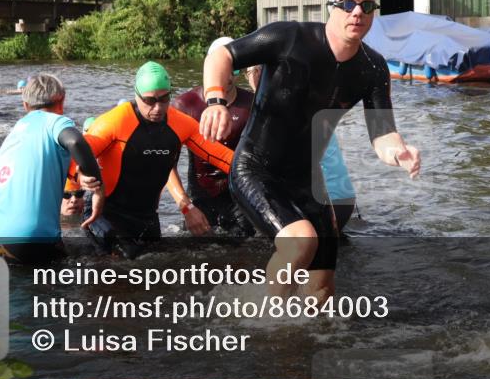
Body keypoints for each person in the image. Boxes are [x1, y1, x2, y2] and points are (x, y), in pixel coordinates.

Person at [200, 0, 421, 302]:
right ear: (330, 7)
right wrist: (215, 100)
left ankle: (308, 339)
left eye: (366, 6)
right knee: (301, 241)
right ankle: (268, 322)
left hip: (306, 180)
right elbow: (223, 55)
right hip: (255, 169)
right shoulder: (289, 38)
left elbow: (382, 133)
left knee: (322, 289)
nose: (357, 12)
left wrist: (399, 152)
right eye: (347, 4)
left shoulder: (373, 68)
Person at [74, 61, 235, 259]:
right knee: (121, 270)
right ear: (136, 95)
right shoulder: (115, 122)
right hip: (106, 214)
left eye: (164, 99)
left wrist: (258, 173)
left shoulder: (180, 123)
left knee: (157, 269)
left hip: (147, 216)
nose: (158, 108)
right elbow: (76, 154)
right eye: (150, 101)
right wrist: (79, 175)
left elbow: (223, 157)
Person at [0, 74, 104, 264]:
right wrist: (99, 190)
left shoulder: (13, 135)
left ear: (25, 106)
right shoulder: (56, 121)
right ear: (62, 100)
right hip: (30, 241)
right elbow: (75, 140)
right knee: (91, 269)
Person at [244, 64, 357, 232]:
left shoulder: (279, 109)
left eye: (255, 72)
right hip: (342, 198)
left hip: (324, 202)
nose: (252, 78)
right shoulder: (302, 99)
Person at [172, 38, 255, 237]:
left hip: (240, 196)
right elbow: (167, 164)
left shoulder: (252, 104)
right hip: (200, 196)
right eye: (221, 69)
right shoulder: (185, 105)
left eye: (233, 71)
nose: (226, 76)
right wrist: (186, 207)